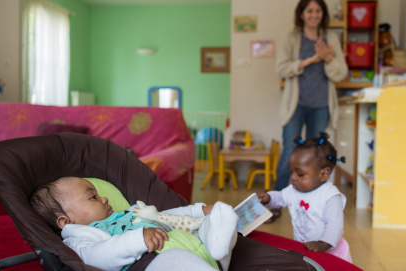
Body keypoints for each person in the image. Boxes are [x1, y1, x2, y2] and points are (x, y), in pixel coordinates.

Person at [29, 176, 238, 271]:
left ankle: (217, 249)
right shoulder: (81, 238)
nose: (104, 199)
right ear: (66, 221)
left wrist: (198, 210)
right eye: (93, 197)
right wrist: (137, 239)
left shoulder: (127, 213)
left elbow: (164, 216)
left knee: (218, 219)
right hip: (152, 264)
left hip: (198, 249)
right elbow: (97, 256)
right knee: (174, 259)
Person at [272, 0, 348, 223]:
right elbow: (281, 68)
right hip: (296, 105)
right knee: (290, 152)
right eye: (309, 10)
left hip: (321, 105)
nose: (314, 14)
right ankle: (276, 201)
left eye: (317, 10)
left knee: (318, 156)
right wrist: (312, 59)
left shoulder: (331, 39)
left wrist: (329, 58)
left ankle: (317, 201)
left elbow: (340, 73)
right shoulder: (291, 38)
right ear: (302, 14)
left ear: (322, 14)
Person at [257, 132, 352, 262]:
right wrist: (268, 198)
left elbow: (335, 225)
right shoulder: (294, 190)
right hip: (308, 249)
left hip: (331, 252)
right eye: (292, 172)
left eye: (300, 174)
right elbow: (280, 197)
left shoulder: (330, 196)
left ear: (323, 174)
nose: (293, 177)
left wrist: (323, 244)